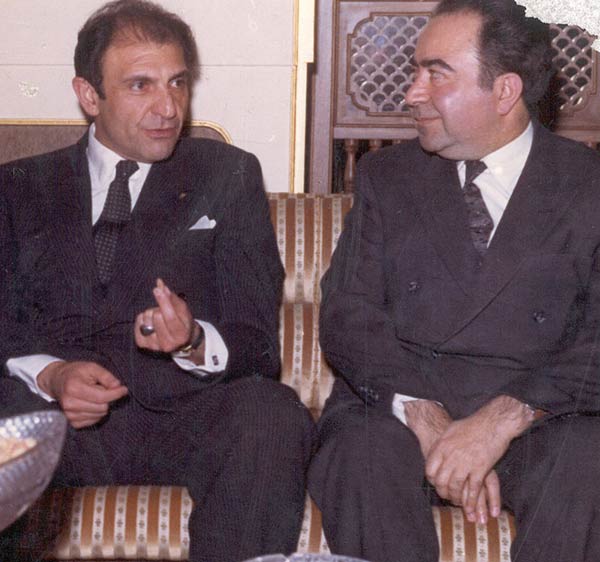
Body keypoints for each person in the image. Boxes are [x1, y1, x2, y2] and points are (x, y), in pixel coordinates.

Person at [0, 1, 314, 561]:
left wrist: (193, 341)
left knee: (271, 413)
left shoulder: (228, 174)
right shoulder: (19, 186)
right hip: (51, 423)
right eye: (140, 85)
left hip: (181, 420)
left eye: (177, 83)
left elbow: (258, 342)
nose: (168, 108)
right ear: (89, 95)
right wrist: (52, 375)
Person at [309, 1, 600, 561]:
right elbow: (348, 314)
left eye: (435, 74)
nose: (411, 93)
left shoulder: (588, 185)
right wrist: (427, 416)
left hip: (542, 417)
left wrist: (502, 420)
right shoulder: (386, 177)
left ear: (505, 91)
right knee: (359, 454)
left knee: (589, 463)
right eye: (415, 72)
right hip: (401, 415)